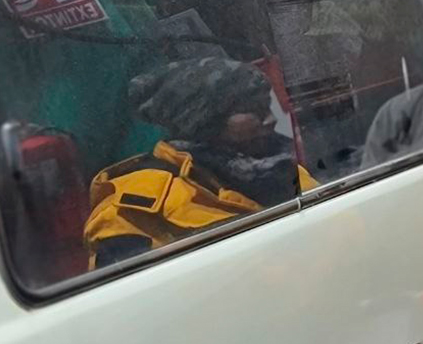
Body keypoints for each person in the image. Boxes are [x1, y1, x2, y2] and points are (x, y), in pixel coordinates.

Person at [84, 57, 317, 268]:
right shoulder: (129, 213)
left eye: (267, 105)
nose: (271, 119)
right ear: (203, 122)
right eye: (252, 110)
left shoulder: (284, 169)